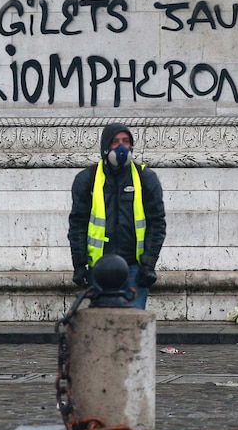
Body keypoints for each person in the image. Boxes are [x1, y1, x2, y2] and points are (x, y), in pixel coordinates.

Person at [67, 123, 166, 309]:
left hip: (135, 270)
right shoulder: (87, 178)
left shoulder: (145, 178)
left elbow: (157, 223)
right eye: (115, 142)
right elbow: (77, 225)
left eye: (126, 142)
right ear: (105, 147)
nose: (121, 147)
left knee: (133, 326)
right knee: (102, 327)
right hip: (100, 270)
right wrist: (79, 265)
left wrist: (149, 263)